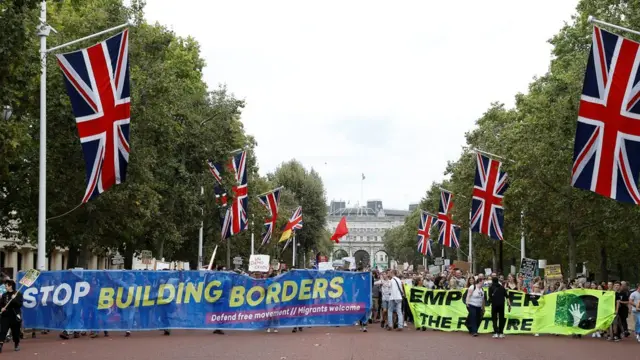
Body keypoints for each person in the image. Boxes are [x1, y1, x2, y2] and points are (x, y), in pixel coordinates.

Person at [0, 280, 22, 352]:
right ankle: (0, 345)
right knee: (3, 331)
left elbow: (19, 305)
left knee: (15, 332)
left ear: (10, 286)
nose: (5, 287)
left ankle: (16, 344)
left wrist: (14, 299)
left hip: (15, 316)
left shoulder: (18, 294)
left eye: (6, 285)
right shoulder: (4, 295)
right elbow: (1, 304)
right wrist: (2, 308)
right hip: (5, 316)